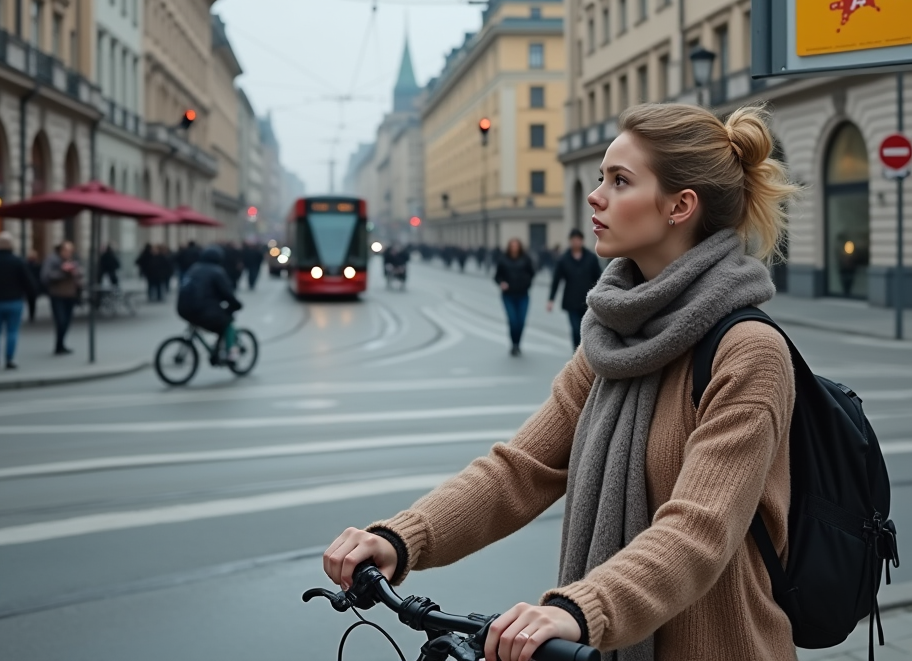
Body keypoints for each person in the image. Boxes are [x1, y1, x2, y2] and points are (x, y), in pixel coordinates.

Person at [323, 103, 801, 661]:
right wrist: (402, 538)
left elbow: (699, 531)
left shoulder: (750, 352)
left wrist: (579, 609)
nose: (595, 195)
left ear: (679, 205)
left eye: (619, 181)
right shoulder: (611, 337)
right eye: (601, 177)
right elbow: (519, 470)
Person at [0, 231, 37, 369]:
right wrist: (31, 294)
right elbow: (29, 282)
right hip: (14, 300)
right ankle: (9, 359)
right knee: (12, 331)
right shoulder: (17, 261)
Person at [177, 245, 242, 363]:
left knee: (206, 321)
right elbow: (226, 292)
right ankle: (231, 354)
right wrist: (237, 304)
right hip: (202, 309)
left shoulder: (194, 268)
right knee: (227, 322)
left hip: (182, 308)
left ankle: (215, 350)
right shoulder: (216, 271)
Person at [548, 228, 603, 349]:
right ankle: (576, 350)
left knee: (587, 328)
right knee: (575, 328)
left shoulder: (591, 258)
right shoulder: (563, 259)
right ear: (570, 241)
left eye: (578, 240)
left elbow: (599, 278)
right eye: (574, 240)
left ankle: (585, 351)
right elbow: (556, 280)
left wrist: (601, 295)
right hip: (571, 300)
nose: (576, 242)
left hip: (588, 300)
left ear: (582, 241)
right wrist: (551, 299)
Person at [494, 237, 536, 356]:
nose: (514, 248)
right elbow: (497, 276)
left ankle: (518, 343)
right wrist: (501, 283)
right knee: (513, 321)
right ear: (509, 247)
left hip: (523, 294)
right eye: (512, 246)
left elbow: (532, 273)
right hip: (508, 296)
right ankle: (514, 344)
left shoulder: (525, 259)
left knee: (521, 321)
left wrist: (527, 283)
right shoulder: (503, 260)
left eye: (516, 245)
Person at [42, 241, 83, 355]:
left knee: (67, 321)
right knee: (61, 320)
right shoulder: (52, 260)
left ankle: (61, 344)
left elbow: (80, 275)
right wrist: (63, 272)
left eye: (70, 251)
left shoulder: (73, 261)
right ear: (60, 250)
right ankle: (59, 345)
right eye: (66, 250)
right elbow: (46, 276)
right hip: (57, 295)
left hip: (70, 294)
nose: (68, 253)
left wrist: (76, 273)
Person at [25, 250, 43, 322]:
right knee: (32, 301)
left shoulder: (35, 265)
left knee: (31, 301)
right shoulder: (29, 265)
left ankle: (31, 315)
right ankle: (31, 315)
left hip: (32, 285)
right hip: (32, 285)